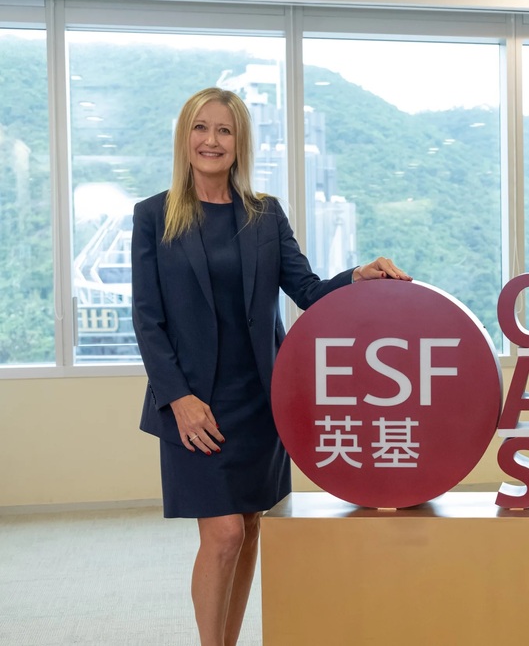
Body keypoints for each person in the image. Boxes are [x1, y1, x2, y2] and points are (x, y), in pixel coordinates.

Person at [131, 87, 411, 646]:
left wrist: (357, 276)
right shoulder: (153, 216)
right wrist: (178, 398)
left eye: (225, 130)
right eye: (201, 127)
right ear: (185, 137)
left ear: (240, 142)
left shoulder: (265, 215)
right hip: (195, 404)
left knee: (250, 527)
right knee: (223, 535)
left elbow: (306, 289)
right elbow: (147, 319)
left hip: (260, 400)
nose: (212, 140)